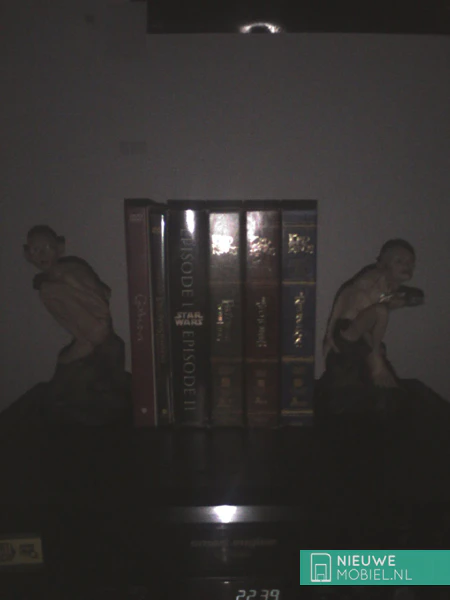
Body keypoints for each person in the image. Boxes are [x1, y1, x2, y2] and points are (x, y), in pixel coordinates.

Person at [322, 239, 424, 389]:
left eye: (410, 262)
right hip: (348, 332)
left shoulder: (388, 287)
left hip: (359, 332)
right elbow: (346, 298)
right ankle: (376, 361)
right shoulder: (371, 281)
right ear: (383, 265)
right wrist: (330, 334)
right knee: (381, 312)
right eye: (399, 261)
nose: (406, 266)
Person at [24, 225, 113, 364]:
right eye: (35, 250)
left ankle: (85, 341)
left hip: (97, 327)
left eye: (47, 247)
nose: (42, 254)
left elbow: (102, 300)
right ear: (28, 256)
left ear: (60, 248)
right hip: (94, 327)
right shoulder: (55, 275)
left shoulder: (68, 273)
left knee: (47, 291)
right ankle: (83, 339)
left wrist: (58, 288)